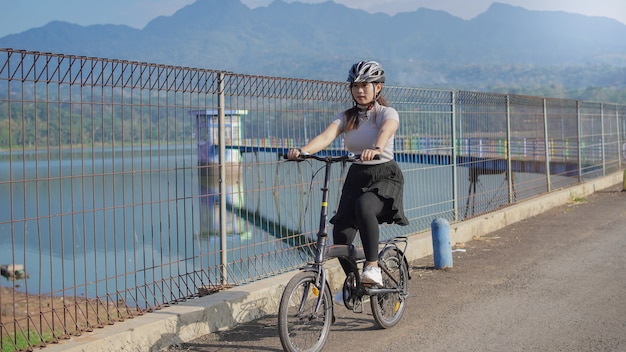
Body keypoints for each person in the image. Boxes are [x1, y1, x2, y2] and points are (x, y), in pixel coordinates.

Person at [287, 60, 409, 286]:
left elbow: (388, 128)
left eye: (365, 85)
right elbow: (326, 137)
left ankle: (372, 267)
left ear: (378, 88)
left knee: (365, 206)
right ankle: (354, 282)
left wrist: (377, 148)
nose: (360, 90)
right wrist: (302, 152)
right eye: (355, 86)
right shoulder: (347, 117)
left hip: (383, 175)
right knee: (340, 234)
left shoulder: (386, 113)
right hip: (357, 176)